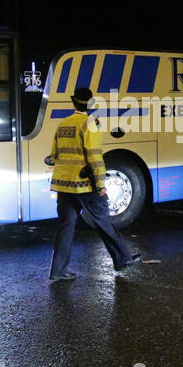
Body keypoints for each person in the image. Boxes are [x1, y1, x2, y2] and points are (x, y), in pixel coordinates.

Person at [47, 87, 140, 282]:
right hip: (84, 184)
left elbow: (54, 154)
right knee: (103, 221)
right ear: (90, 105)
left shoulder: (63, 124)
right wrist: (100, 184)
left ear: (73, 103)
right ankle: (123, 259)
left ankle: (57, 271)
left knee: (65, 226)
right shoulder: (90, 124)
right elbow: (95, 157)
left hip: (63, 184)